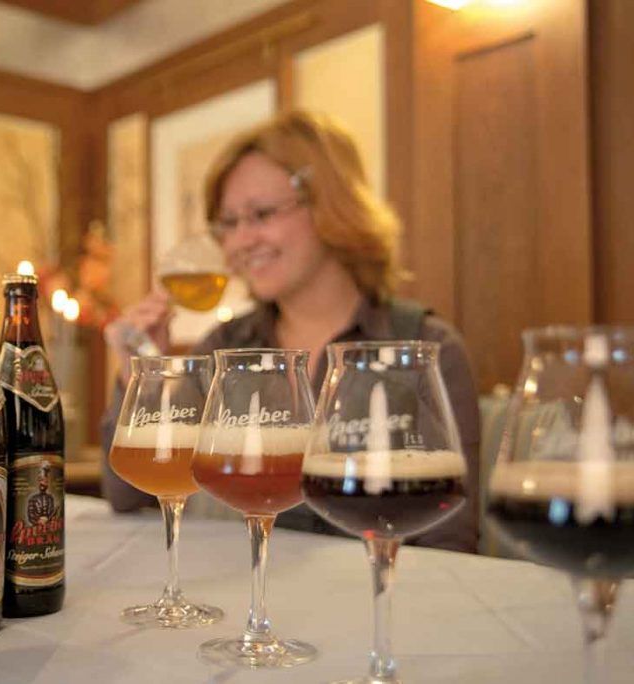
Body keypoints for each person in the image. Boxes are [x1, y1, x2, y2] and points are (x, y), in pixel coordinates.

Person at [102, 110, 481, 553]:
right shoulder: (225, 349)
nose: (241, 241)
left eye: (261, 214)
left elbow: (451, 544)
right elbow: (126, 495)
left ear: (332, 206)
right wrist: (140, 379)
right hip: (249, 605)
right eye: (228, 223)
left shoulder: (427, 348)